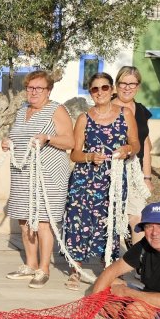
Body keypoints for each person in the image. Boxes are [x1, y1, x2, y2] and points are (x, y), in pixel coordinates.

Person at [62, 72, 140, 290]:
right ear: (90, 93)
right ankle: (75, 270)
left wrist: (127, 149)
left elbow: (136, 143)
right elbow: (74, 153)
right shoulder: (84, 118)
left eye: (104, 88)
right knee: (78, 222)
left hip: (113, 179)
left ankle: (109, 269)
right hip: (84, 180)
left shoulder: (125, 114)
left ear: (112, 89)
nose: (100, 93)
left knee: (111, 223)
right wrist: (89, 157)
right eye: (95, 89)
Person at [2, 70, 73, 289]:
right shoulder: (23, 110)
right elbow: (17, 136)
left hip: (48, 176)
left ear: (48, 91)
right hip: (22, 174)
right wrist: (7, 142)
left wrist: (48, 138)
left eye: (39, 88)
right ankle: (30, 265)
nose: (33, 92)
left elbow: (70, 141)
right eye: (30, 88)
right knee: (24, 222)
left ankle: (44, 268)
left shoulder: (56, 109)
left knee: (43, 222)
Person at [115, 66, 154, 243]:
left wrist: (147, 177)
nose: (127, 87)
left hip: (135, 171)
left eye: (132, 83)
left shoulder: (142, 110)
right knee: (113, 217)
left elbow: (146, 143)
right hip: (112, 169)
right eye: (123, 83)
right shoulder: (107, 107)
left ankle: (138, 262)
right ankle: (112, 263)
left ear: (138, 86)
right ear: (117, 85)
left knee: (137, 216)